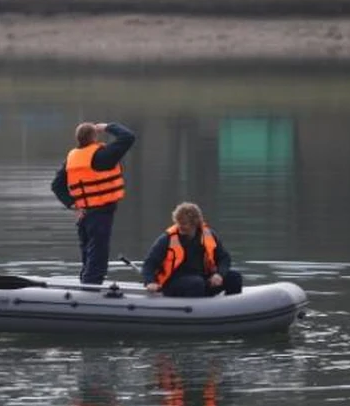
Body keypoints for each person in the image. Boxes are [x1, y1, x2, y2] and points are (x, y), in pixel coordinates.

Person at [51, 121, 136, 284]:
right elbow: (128, 137)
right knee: (98, 255)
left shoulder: (72, 158)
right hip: (100, 213)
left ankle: (85, 284)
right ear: (95, 136)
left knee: (88, 255)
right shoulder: (102, 156)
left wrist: (73, 204)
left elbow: (56, 186)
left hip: (84, 214)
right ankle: (91, 290)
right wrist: (107, 127)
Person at [141, 202, 243, 298]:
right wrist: (150, 282)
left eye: (184, 223)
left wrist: (219, 274)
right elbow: (149, 263)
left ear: (195, 223)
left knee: (234, 277)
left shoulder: (209, 235)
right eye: (178, 222)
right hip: (174, 282)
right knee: (196, 283)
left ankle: (228, 309)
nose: (180, 226)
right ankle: (196, 312)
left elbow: (224, 258)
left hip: (202, 279)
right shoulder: (167, 239)